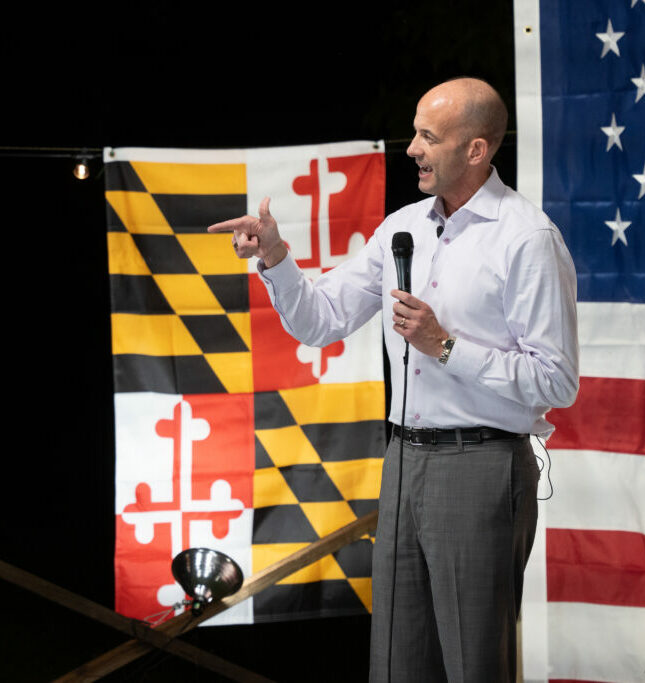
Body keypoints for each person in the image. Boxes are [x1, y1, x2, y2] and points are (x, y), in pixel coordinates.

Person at [208, 77, 579, 683]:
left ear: (477, 150)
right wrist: (275, 257)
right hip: (402, 460)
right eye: (414, 131)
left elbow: (556, 381)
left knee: (472, 664)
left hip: (482, 466)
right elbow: (321, 321)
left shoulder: (527, 239)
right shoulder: (402, 226)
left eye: (428, 137)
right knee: (398, 662)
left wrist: (447, 346)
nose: (411, 147)